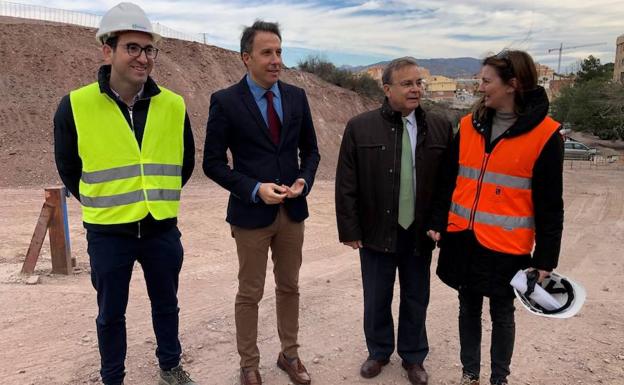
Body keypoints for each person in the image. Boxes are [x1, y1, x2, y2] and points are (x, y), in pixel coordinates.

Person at [53, 3, 196, 385]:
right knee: (110, 313)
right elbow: (69, 168)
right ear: (107, 50)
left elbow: (185, 164)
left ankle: (170, 366)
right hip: (108, 232)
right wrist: (107, 199)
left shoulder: (174, 104)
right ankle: (112, 378)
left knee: (167, 306)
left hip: (161, 229)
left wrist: (154, 197)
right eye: (132, 47)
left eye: (149, 49)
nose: (143, 57)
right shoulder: (75, 106)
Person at [427, 50, 564, 385]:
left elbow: (550, 206)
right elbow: (448, 179)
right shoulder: (467, 126)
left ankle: (498, 379)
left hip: (507, 246)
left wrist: (546, 259)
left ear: (512, 85)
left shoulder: (546, 136)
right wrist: (437, 221)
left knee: (502, 313)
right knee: (467, 307)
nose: (480, 86)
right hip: (463, 237)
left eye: (486, 81)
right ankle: (469, 375)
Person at [202, 20, 320, 385]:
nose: (275, 60)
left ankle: (290, 355)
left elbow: (311, 151)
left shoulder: (297, 97)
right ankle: (248, 364)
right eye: (267, 53)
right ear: (246, 58)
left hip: (292, 212)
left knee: (290, 286)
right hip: (251, 214)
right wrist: (254, 189)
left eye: (279, 52)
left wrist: (304, 180)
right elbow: (213, 163)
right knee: (249, 292)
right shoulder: (225, 101)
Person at [335, 57, 453, 385]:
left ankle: (414, 357)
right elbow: (346, 182)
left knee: (416, 296)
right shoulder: (360, 127)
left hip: (419, 231)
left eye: (418, 83)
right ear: (387, 89)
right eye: (407, 84)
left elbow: (447, 183)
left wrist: (438, 221)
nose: (415, 89)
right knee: (377, 296)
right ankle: (379, 351)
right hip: (375, 230)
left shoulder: (441, 126)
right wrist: (350, 228)